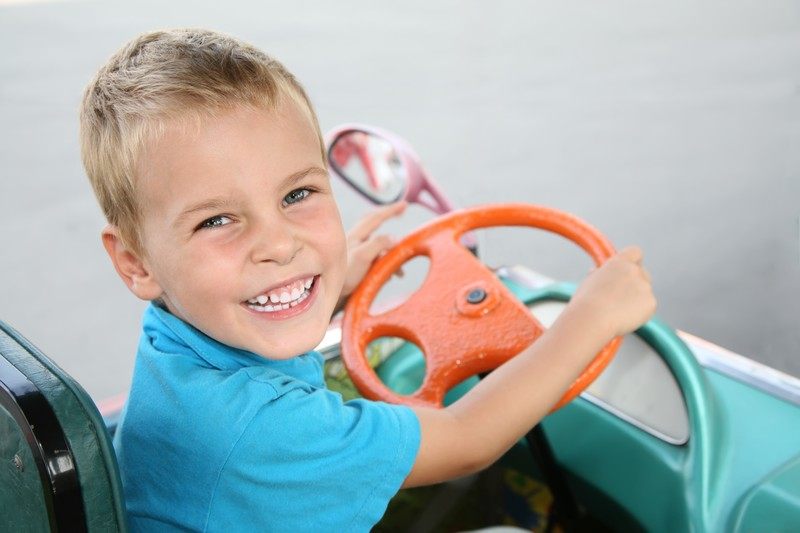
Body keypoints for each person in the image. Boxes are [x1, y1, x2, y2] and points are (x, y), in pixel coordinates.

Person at [79, 28, 656, 532]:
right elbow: (468, 438)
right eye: (217, 220)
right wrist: (590, 317)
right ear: (136, 263)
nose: (280, 245)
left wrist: (332, 284)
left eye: (297, 195)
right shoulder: (267, 433)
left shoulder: (173, 339)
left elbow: (241, 301)